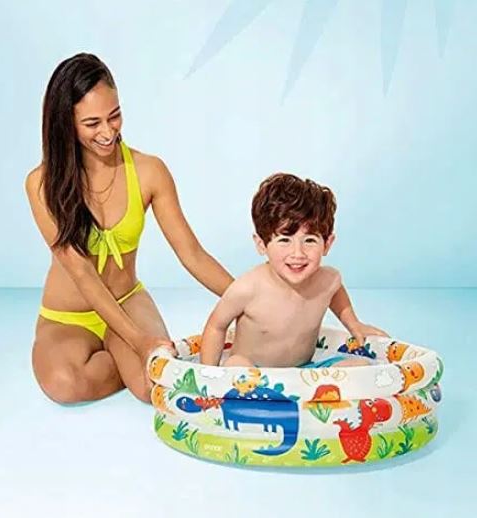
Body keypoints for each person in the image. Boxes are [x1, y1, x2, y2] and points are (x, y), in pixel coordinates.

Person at [25, 53, 233, 404]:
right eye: (92, 123)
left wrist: (251, 300)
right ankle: (124, 356)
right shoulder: (41, 184)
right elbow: (82, 273)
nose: (108, 132)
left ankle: (130, 358)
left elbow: (192, 254)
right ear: (66, 124)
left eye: (114, 116)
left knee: (153, 388)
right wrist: (139, 343)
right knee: (64, 385)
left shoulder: (149, 171)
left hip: (127, 301)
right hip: (68, 318)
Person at [200, 173, 388, 368]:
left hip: (304, 372)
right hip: (253, 374)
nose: (298, 253)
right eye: (284, 240)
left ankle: (315, 385)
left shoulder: (328, 279)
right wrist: (209, 372)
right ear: (261, 244)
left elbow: (335, 290)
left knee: (359, 366)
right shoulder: (248, 288)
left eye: (310, 240)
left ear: (327, 244)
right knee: (236, 364)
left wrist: (354, 323)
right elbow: (216, 326)